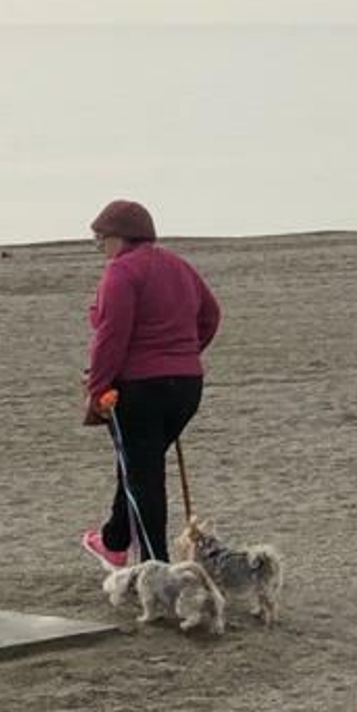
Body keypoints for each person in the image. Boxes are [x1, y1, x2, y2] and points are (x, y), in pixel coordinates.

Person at [80, 199, 221, 568]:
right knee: (139, 464)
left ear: (121, 237)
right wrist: (185, 354)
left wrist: (97, 389)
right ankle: (114, 540)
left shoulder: (121, 273)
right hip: (187, 386)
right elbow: (210, 315)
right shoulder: (178, 265)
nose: (101, 249)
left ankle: (155, 568)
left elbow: (111, 337)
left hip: (139, 389)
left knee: (143, 475)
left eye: (102, 240)